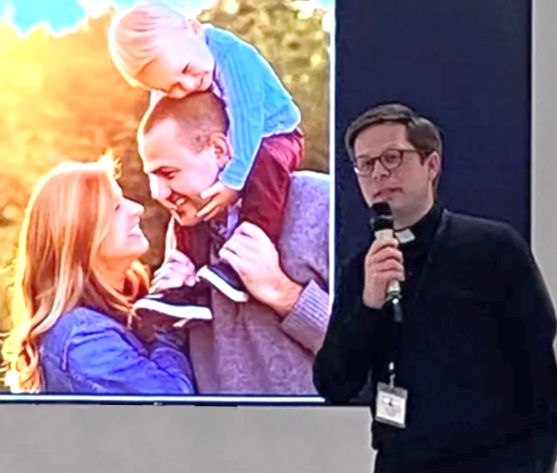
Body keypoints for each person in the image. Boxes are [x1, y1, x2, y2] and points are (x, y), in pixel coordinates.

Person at [313, 103, 557, 472]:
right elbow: (335, 383)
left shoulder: (493, 248)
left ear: (432, 165)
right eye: (365, 164)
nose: (379, 172)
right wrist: (369, 304)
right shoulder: (362, 269)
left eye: (393, 157)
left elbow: (541, 385)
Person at [136, 91, 330, 394]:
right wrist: (166, 314)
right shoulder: (184, 231)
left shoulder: (321, 204)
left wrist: (282, 292)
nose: (158, 193)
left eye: (169, 173)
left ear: (218, 149)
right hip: (221, 438)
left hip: (319, 437)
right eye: (152, 177)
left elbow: (378, 351)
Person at [109, 2, 302, 300]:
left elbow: (248, 118)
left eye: (185, 70)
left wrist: (233, 181)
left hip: (273, 133)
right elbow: (157, 126)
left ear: (194, 29)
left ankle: (246, 253)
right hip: (226, 142)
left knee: (265, 170)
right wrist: (157, 181)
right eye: (170, 87)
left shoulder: (233, 56)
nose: (186, 87)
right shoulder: (177, 64)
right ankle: (184, 271)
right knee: (190, 194)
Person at [1, 159, 194, 394]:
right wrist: (165, 320)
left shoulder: (124, 308)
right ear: (79, 236)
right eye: (115, 208)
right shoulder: (83, 338)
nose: (137, 209)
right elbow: (176, 404)